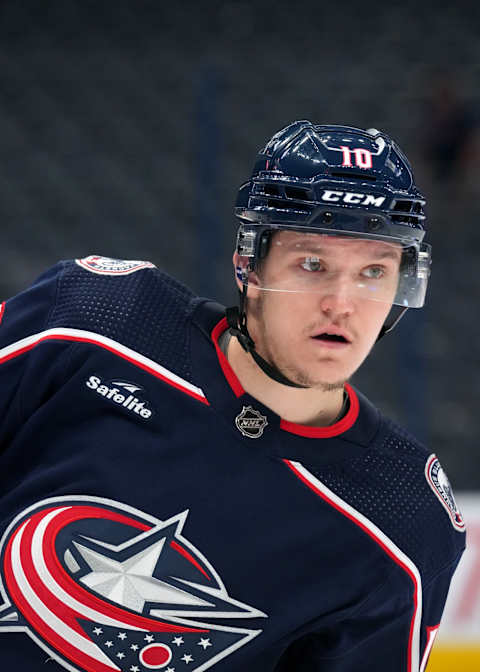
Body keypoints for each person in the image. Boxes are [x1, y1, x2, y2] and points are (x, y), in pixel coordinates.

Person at [0, 121, 465, 672]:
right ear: (249, 264)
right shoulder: (93, 321)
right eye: (312, 264)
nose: (342, 304)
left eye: (373, 272)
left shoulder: (404, 522)